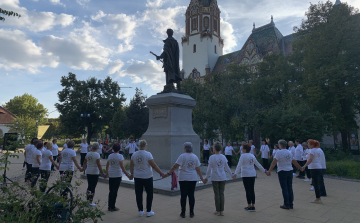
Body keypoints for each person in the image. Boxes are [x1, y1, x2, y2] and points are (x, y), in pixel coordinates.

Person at [165, 142, 205, 218]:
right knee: (191, 195)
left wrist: (169, 173)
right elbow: (198, 169)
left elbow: (175, 166)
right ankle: (191, 212)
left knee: (183, 195)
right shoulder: (195, 157)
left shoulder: (182, 156)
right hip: (192, 178)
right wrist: (201, 178)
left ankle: (183, 212)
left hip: (183, 178)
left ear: (185, 148)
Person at [129, 140, 164, 217]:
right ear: (145, 146)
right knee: (149, 193)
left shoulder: (134, 154)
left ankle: (140, 210)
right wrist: (161, 173)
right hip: (147, 176)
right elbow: (153, 165)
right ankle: (148, 210)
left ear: (139, 146)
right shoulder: (148, 154)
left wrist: (132, 174)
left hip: (137, 176)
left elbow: (131, 166)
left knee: (138, 193)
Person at [267, 139, 302, 210]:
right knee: (289, 187)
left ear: (280, 145)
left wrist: (269, 170)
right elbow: (294, 161)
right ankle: (291, 203)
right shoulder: (289, 152)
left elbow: (274, 162)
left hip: (282, 171)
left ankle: (286, 204)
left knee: (284, 188)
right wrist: (300, 167)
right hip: (290, 171)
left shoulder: (279, 152)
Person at [233, 143, 267, 212]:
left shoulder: (243, 156)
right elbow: (258, 164)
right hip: (252, 174)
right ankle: (253, 206)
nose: (242, 150)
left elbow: (239, 165)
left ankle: (249, 206)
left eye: (242, 148)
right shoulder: (252, 155)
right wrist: (264, 171)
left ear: (245, 149)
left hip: (245, 175)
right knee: (252, 189)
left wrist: (235, 174)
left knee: (247, 190)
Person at [204, 141, 232, 216]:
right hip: (222, 177)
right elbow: (227, 167)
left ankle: (217, 209)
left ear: (215, 148)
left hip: (215, 177)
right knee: (221, 193)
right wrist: (232, 175)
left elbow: (209, 169)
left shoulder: (212, 157)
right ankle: (222, 210)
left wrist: (206, 177)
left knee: (216, 194)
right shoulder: (223, 157)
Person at [105, 143, 131, 212]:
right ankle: (112, 206)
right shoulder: (120, 156)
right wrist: (127, 175)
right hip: (117, 175)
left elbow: (107, 166)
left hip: (111, 174)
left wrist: (107, 173)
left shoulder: (110, 156)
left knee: (111, 190)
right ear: (119, 149)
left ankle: (109, 206)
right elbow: (122, 167)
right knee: (115, 191)